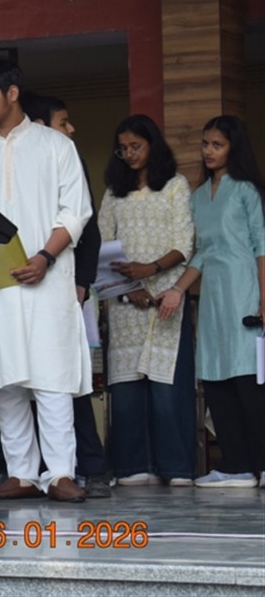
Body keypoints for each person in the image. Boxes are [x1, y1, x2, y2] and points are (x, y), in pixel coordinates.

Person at [0, 58, 92, 503]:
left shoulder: (55, 146)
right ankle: (22, 472)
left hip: (46, 277)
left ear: (12, 93)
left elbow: (76, 212)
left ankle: (61, 472)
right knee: (4, 376)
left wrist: (45, 257)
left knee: (51, 374)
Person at [158, 115, 265, 488]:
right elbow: (201, 253)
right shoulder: (199, 197)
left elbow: (262, 246)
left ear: (234, 148)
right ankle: (236, 467)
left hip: (246, 292)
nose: (208, 151)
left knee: (249, 379)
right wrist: (176, 289)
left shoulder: (247, 191)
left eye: (217, 144)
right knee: (217, 377)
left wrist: (264, 299)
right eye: (205, 143)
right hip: (214, 299)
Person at [21, 92, 113, 498]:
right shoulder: (7, 159)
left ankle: (87, 467)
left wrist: (82, 281)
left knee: (68, 379)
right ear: (40, 125)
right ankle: (15, 471)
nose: (71, 129)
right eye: (64, 122)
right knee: (13, 380)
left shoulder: (68, 159)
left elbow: (87, 230)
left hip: (63, 284)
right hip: (14, 285)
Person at [99, 114, 195, 486]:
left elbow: (184, 244)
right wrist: (129, 287)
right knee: (127, 386)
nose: (129, 154)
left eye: (135, 146)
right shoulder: (114, 192)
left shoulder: (174, 185)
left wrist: (150, 270)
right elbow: (104, 244)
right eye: (122, 149)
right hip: (125, 301)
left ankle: (175, 468)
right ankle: (132, 467)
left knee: (167, 387)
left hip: (166, 299)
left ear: (152, 145)